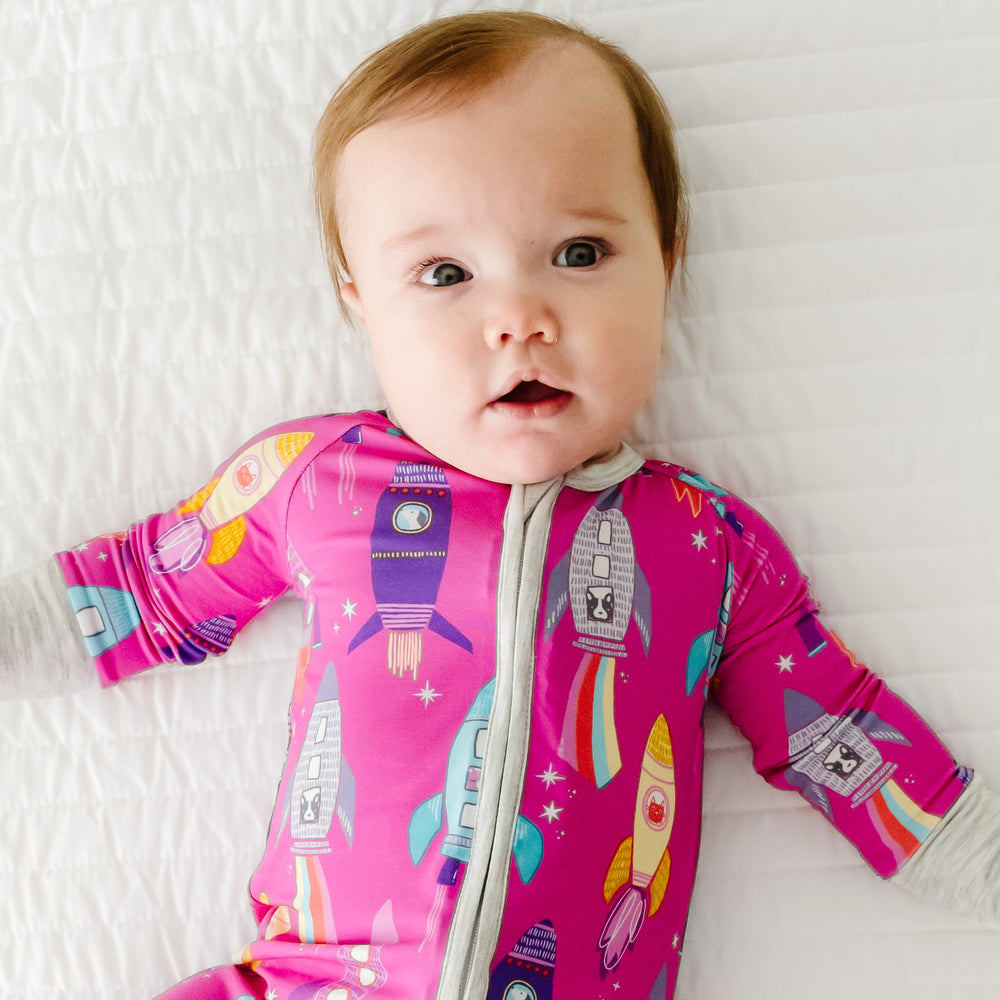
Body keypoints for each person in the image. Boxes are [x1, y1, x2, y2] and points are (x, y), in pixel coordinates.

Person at [2, 10, 998, 1000]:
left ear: (668, 256)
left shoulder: (710, 546)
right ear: (360, 300)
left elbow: (832, 729)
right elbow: (139, 586)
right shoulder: (319, 480)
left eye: (578, 253)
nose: (517, 318)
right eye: (444, 275)